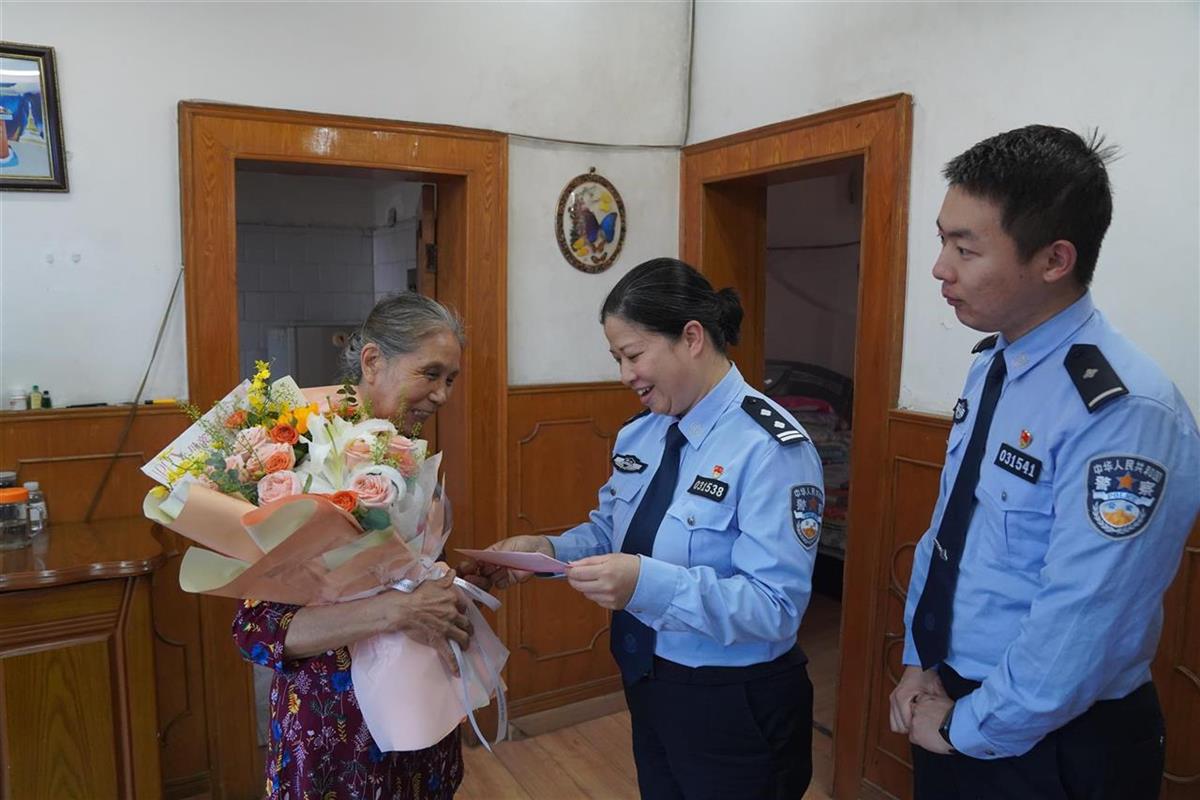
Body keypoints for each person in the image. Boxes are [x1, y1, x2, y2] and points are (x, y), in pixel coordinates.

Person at [889, 126, 1200, 799]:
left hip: (1051, 734)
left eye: (965, 249)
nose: (940, 268)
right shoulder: (995, 364)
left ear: (1055, 259)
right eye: (942, 239)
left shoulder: (1124, 410)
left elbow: (1084, 618)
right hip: (954, 696)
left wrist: (970, 726)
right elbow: (954, 536)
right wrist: (920, 661)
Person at [464, 257, 822, 799]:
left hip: (733, 700)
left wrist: (645, 585)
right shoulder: (642, 434)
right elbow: (614, 532)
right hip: (650, 678)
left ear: (692, 337)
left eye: (633, 355)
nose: (625, 375)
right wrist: (546, 549)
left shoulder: (770, 447)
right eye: (617, 358)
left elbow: (775, 607)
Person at [233, 292, 472, 800]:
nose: (443, 395)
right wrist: (398, 610)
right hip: (334, 735)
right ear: (372, 361)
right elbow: (258, 631)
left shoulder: (411, 461)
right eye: (430, 374)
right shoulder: (293, 463)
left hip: (420, 717)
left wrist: (449, 585)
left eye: (451, 379)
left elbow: (419, 571)